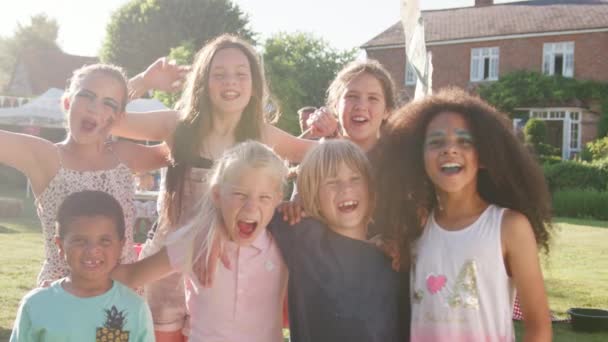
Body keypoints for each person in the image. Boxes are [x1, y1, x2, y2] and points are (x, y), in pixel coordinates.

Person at [111, 33, 319, 341]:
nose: (229, 82)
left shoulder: (262, 135)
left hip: (223, 270)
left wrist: (299, 198)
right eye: (218, 74)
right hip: (168, 264)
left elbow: (324, 159)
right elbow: (106, 117)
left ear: (254, 84)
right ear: (202, 81)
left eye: (240, 74)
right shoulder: (178, 125)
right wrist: (143, 81)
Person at [373, 87, 553, 341]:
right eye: (436, 142)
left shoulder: (509, 226)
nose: (450, 150)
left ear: (484, 157)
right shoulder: (415, 227)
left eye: (464, 141)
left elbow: (539, 327)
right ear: (419, 158)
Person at [0, 64, 168, 286]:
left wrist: (143, 83)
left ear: (118, 118)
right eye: (86, 96)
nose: (94, 109)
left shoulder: (124, 156)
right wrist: (138, 84)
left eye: (109, 104)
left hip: (121, 299)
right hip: (63, 298)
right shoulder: (45, 157)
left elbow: (180, 140)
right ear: (67, 103)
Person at [111, 141, 289, 342]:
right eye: (240, 194)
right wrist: (83, 273)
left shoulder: (285, 241)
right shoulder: (196, 240)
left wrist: (298, 206)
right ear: (217, 195)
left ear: (277, 201)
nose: (250, 207)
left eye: (264, 197)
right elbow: (135, 275)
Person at [267, 139, 406, 341]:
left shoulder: (393, 258)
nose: (345, 189)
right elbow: (249, 210)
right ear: (313, 195)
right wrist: (288, 207)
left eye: (355, 179)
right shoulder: (301, 236)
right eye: (332, 182)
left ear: (371, 188)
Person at [10, 190, 154, 342]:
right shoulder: (36, 305)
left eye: (104, 241)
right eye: (80, 240)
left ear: (121, 246)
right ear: (60, 245)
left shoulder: (135, 308)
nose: (92, 250)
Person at [281, 59, 398, 224]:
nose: (361, 106)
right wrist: (292, 210)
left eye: (373, 98)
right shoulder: (317, 158)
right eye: (352, 96)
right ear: (335, 106)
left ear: (387, 111)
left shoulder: (399, 162)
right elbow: (300, 208)